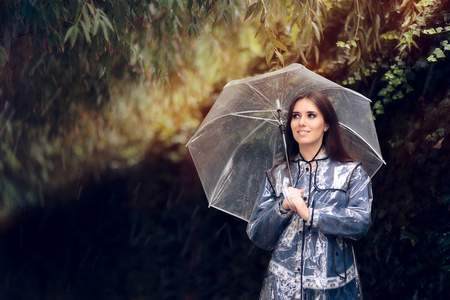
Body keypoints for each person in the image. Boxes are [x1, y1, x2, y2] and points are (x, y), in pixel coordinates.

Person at [247, 91, 373, 300]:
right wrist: (283, 207)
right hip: (283, 286)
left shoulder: (350, 172)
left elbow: (360, 223)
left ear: (326, 124)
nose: (301, 122)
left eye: (311, 115)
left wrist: (312, 215)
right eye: (295, 116)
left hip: (335, 286)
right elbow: (259, 235)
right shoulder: (277, 175)